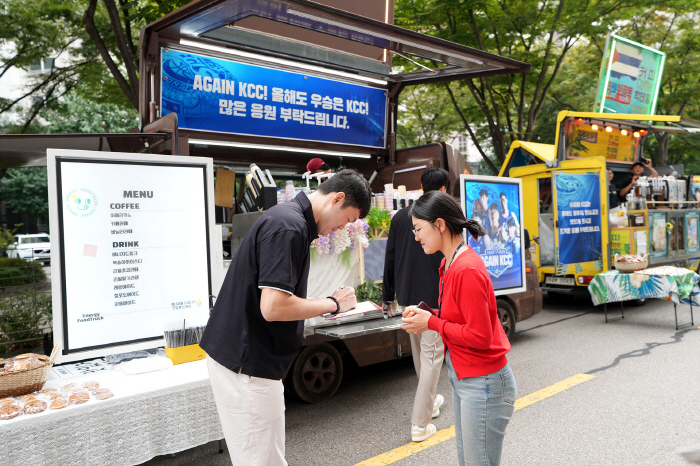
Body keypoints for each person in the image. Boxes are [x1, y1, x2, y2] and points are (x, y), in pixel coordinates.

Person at [200, 170, 371, 466]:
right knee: (261, 459)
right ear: (336, 199)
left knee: (263, 457)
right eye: (346, 221)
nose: (341, 230)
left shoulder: (289, 220)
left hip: (247, 359)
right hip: (248, 363)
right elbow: (274, 307)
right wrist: (332, 304)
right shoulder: (290, 226)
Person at [401, 191, 517, 466]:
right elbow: (462, 317)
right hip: (468, 378)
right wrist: (430, 315)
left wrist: (431, 322)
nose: (417, 237)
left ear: (439, 224)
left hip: (484, 383)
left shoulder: (465, 268)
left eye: (419, 229)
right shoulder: (450, 263)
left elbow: (479, 336)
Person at [382, 167, 449, 442]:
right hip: (432, 299)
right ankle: (420, 425)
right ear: (443, 189)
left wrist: (387, 294)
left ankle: (430, 403)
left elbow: (390, 256)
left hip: (408, 296)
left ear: (421, 186)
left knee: (422, 355)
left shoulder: (400, 216)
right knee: (432, 358)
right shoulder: (441, 218)